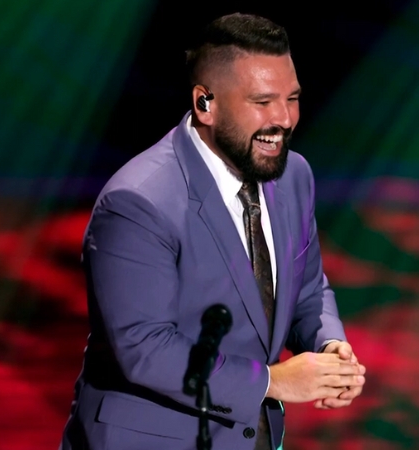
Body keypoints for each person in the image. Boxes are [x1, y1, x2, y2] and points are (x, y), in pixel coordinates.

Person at [60, 13, 366, 450]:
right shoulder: (138, 202)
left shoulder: (293, 175)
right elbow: (145, 349)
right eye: (262, 101)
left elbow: (307, 288)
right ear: (205, 103)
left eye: (292, 98)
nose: (284, 118)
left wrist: (329, 344)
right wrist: (273, 382)